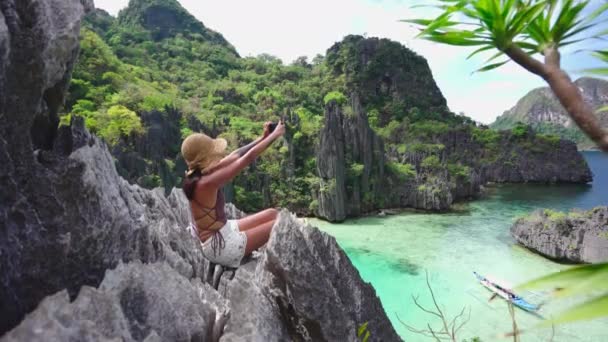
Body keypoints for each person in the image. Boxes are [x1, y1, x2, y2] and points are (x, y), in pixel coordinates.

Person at [181, 121, 285, 268]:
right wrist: (275, 135)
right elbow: (247, 159)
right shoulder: (206, 182)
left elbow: (235, 155)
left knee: (272, 213)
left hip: (223, 231)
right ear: (205, 158)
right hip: (220, 247)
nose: (218, 156)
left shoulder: (198, 174)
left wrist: (263, 138)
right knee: (279, 225)